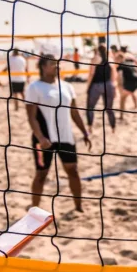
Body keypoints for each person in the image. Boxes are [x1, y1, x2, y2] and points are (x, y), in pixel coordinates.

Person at [26, 55, 91, 213]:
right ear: (42, 66)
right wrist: (41, 137)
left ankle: (78, 207)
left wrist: (84, 131)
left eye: (57, 64)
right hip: (44, 138)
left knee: (73, 171)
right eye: (52, 64)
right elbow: (31, 117)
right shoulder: (34, 87)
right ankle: (34, 209)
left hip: (66, 137)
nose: (57, 66)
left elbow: (74, 112)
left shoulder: (67, 86)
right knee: (41, 174)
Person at [85, 44, 117, 134]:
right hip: (108, 85)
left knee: (90, 108)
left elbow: (91, 74)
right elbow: (113, 75)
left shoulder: (95, 58)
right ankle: (113, 128)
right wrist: (113, 86)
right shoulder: (110, 59)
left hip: (96, 85)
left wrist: (88, 87)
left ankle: (90, 128)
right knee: (109, 108)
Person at [116, 50, 137, 118]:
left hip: (132, 81)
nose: (115, 60)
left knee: (122, 98)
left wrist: (120, 86)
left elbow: (119, 77)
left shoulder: (120, 66)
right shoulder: (130, 62)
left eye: (116, 58)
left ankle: (121, 116)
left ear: (119, 59)